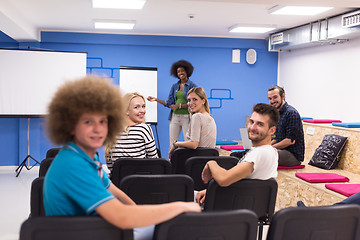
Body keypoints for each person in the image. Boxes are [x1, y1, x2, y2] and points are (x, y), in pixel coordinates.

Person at [43, 75, 201, 240]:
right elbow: (122, 217)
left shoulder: (84, 158)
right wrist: (178, 207)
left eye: (103, 121)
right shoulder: (73, 166)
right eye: (88, 122)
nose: (98, 129)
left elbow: (115, 191)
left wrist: (137, 209)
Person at [195, 103, 279, 204]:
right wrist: (210, 191)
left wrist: (211, 163)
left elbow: (223, 179)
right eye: (251, 122)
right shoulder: (270, 151)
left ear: (272, 130)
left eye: (260, 124)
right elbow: (242, 184)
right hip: (240, 204)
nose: (252, 127)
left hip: (229, 209)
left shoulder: (259, 153)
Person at [147, 60, 197, 148]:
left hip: (187, 117)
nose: (180, 73)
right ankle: (172, 161)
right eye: (178, 72)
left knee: (188, 141)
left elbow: (194, 103)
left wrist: (179, 106)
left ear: (187, 71)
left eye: (182, 71)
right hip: (174, 117)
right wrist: (155, 99)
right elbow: (169, 103)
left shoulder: (192, 86)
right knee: (172, 143)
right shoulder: (174, 86)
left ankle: (188, 161)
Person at [105, 92, 159, 172]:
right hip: (141, 181)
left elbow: (110, 165)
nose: (142, 111)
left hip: (118, 181)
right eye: (136, 107)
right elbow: (154, 161)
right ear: (126, 111)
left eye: (143, 106)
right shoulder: (144, 129)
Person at [168, 87, 216, 158]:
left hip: (196, 162)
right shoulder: (210, 118)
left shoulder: (197, 116)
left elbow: (194, 144)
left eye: (195, 99)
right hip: (205, 161)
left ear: (203, 101)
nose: (191, 103)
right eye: (189, 100)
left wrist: (176, 144)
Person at [268, 85, 305, 166]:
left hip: (293, 156)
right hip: (281, 152)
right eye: (270, 99)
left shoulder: (291, 113)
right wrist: (266, 146)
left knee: (264, 155)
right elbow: (276, 138)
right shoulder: (277, 114)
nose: (272, 101)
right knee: (256, 152)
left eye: (275, 97)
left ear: (283, 96)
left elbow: (290, 141)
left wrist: (270, 148)